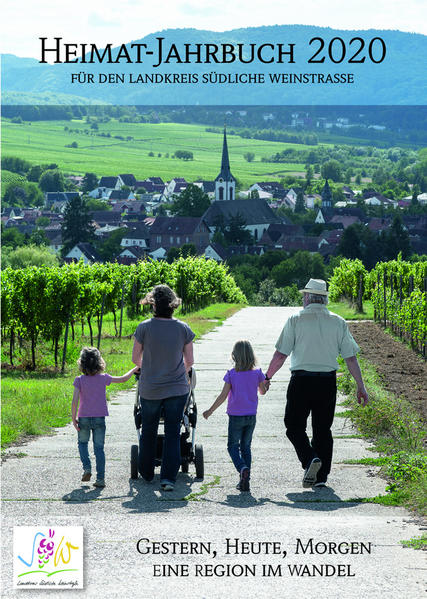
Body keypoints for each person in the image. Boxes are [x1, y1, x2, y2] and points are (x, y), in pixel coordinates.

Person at [265, 278, 369, 489]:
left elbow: (281, 355)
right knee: (323, 429)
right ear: (324, 298)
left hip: (301, 380)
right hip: (327, 382)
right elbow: (350, 358)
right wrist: (361, 386)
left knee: (294, 426)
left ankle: (310, 459)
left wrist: (267, 377)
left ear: (307, 297)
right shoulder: (338, 321)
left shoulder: (295, 319)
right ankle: (321, 477)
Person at [132, 284, 195, 492]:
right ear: (173, 304)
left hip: (150, 388)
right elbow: (190, 361)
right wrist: (175, 371)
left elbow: (135, 359)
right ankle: (168, 478)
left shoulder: (144, 328)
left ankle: (148, 473)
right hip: (177, 389)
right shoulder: (183, 328)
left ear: (153, 303)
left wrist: (150, 367)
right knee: (173, 432)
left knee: (148, 429)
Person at [203, 340, 268, 492]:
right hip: (251, 416)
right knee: (246, 447)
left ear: (234, 356)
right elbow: (262, 391)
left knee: (232, 446)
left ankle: (242, 468)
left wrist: (210, 410)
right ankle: (246, 479)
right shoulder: (258, 372)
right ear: (252, 355)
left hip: (235, 416)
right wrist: (265, 385)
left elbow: (223, 396)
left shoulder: (231, 374)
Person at [72, 346, 137, 488]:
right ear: (99, 362)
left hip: (83, 418)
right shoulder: (103, 378)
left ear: (81, 363)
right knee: (99, 448)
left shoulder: (79, 380)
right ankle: (100, 479)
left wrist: (73, 419)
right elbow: (123, 379)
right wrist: (134, 369)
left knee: (82, 444)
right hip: (99, 418)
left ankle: (87, 468)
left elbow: (75, 401)